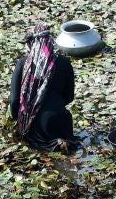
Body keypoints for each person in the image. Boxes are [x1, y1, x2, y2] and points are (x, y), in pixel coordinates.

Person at [9, 24, 76, 152]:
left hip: (37, 124)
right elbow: (69, 97)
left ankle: (57, 143)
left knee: (37, 149)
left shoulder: (23, 63)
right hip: (62, 120)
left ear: (31, 43)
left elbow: (14, 100)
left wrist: (18, 121)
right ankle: (62, 141)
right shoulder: (65, 62)